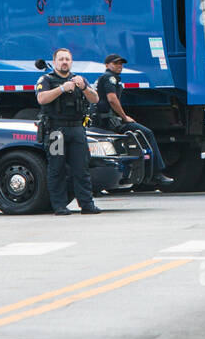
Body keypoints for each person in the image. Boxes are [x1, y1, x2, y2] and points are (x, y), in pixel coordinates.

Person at [35, 47, 101, 216]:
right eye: (61, 59)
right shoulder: (47, 79)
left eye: (67, 59)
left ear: (71, 62)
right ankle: (59, 206)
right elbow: (41, 98)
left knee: (82, 168)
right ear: (55, 61)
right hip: (56, 130)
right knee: (56, 169)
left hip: (77, 128)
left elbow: (95, 98)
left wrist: (84, 87)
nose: (64, 62)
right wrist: (62, 89)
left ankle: (87, 204)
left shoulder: (79, 79)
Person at [94, 54, 172, 187]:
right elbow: (112, 99)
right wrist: (124, 118)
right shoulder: (109, 78)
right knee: (146, 133)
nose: (119, 66)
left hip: (104, 121)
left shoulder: (108, 78)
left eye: (121, 63)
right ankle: (156, 173)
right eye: (115, 63)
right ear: (107, 65)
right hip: (109, 123)